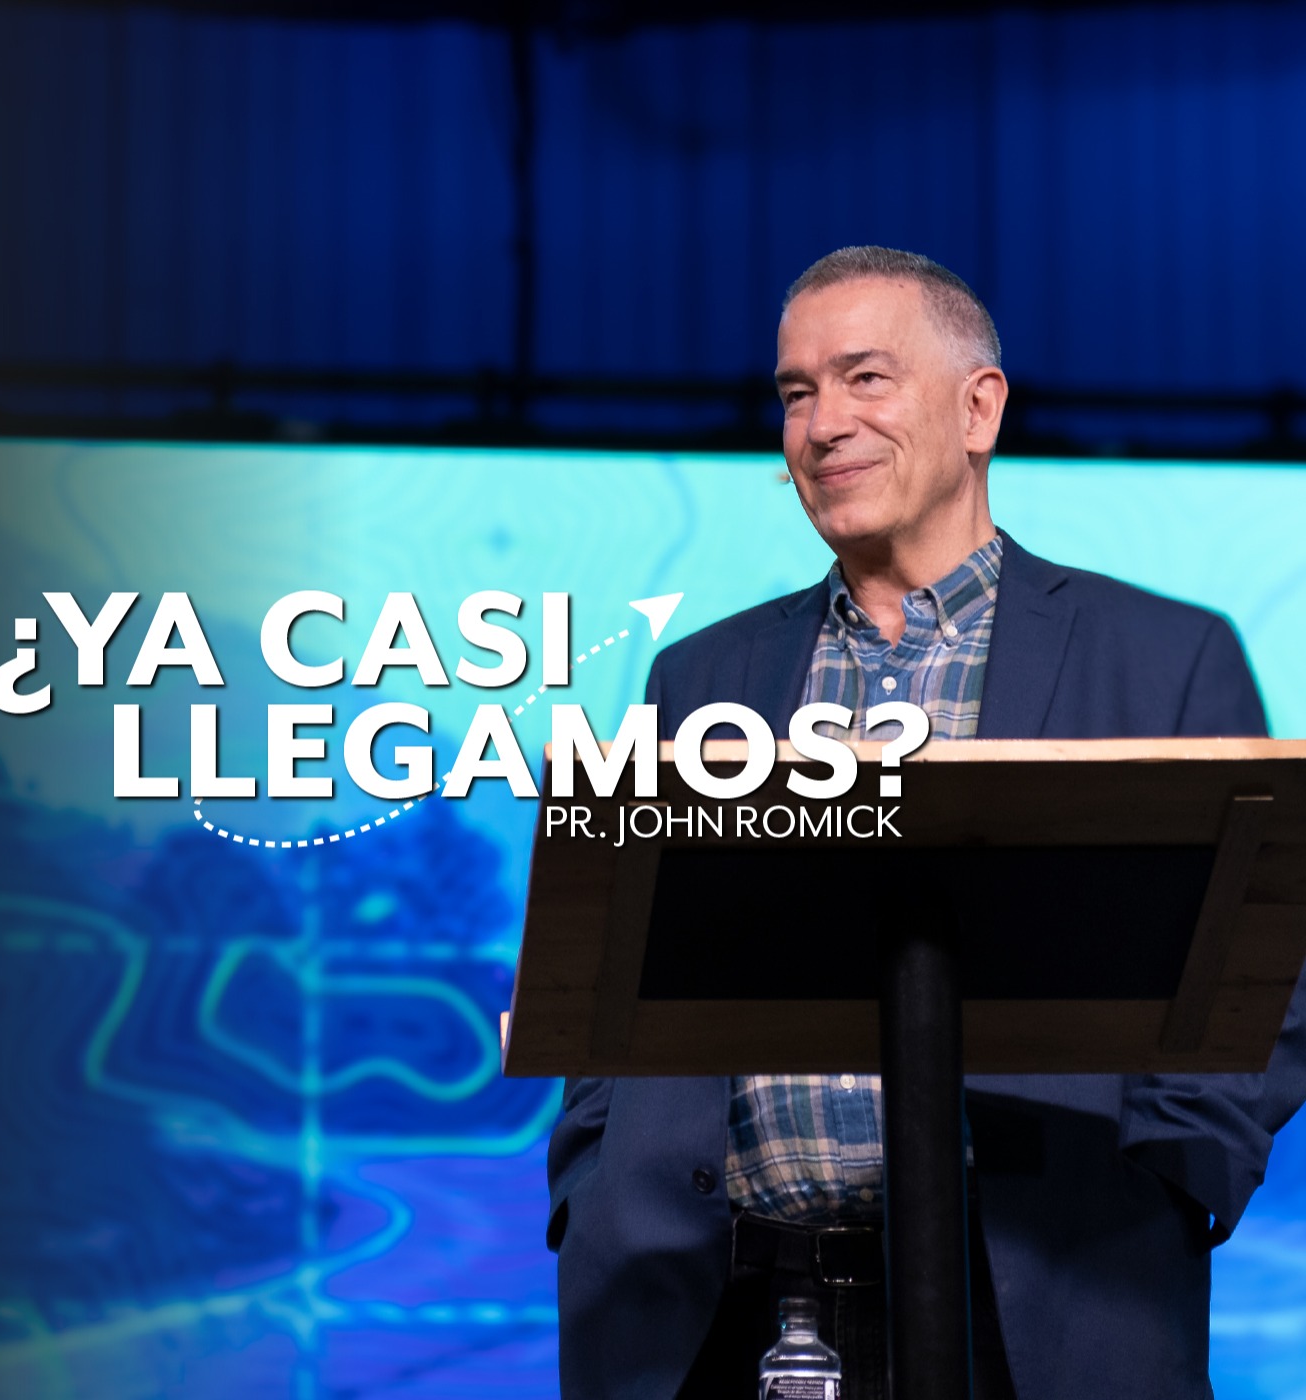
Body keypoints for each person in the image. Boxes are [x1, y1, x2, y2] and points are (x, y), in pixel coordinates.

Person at [546, 247, 1306, 1400]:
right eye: (795, 392)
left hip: (1046, 1296)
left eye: (864, 377)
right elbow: (607, 979)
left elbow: (1271, 955)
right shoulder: (698, 675)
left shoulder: (1162, 656)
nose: (821, 424)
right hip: (714, 1310)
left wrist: (1176, 1167)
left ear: (977, 408)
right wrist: (590, 1180)